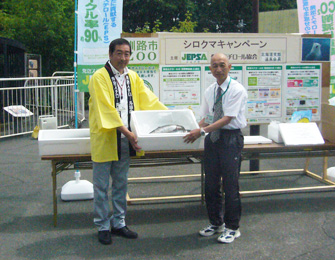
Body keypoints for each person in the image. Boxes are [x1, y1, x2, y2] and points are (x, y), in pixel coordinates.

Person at [88, 38, 167, 245]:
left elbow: (149, 100)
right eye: (119, 53)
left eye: (127, 54)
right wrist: (127, 132)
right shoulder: (99, 77)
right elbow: (106, 109)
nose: (123, 58)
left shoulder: (133, 76)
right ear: (110, 54)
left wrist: (172, 117)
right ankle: (103, 225)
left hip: (126, 139)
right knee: (101, 185)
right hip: (106, 138)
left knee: (121, 183)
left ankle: (119, 223)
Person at [183, 53, 247, 244]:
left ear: (230, 66)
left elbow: (227, 118)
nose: (218, 69)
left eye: (222, 65)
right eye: (214, 66)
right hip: (213, 139)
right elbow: (206, 116)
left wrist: (201, 132)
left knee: (230, 185)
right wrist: (193, 128)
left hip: (230, 139)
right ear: (210, 69)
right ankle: (216, 223)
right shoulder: (210, 90)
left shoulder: (237, 90)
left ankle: (232, 227)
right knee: (210, 184)